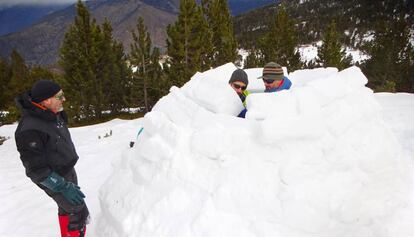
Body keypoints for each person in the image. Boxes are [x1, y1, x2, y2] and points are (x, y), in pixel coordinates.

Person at [15, 80, 89, 237]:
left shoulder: (54, 112)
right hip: (51, 176)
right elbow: (36, 170)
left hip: (67, 169)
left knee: (67, 209)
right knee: (77, 211)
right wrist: (62, 186)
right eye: (59, 96)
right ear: (46, 100)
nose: (64, 99)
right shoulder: (29, 130)